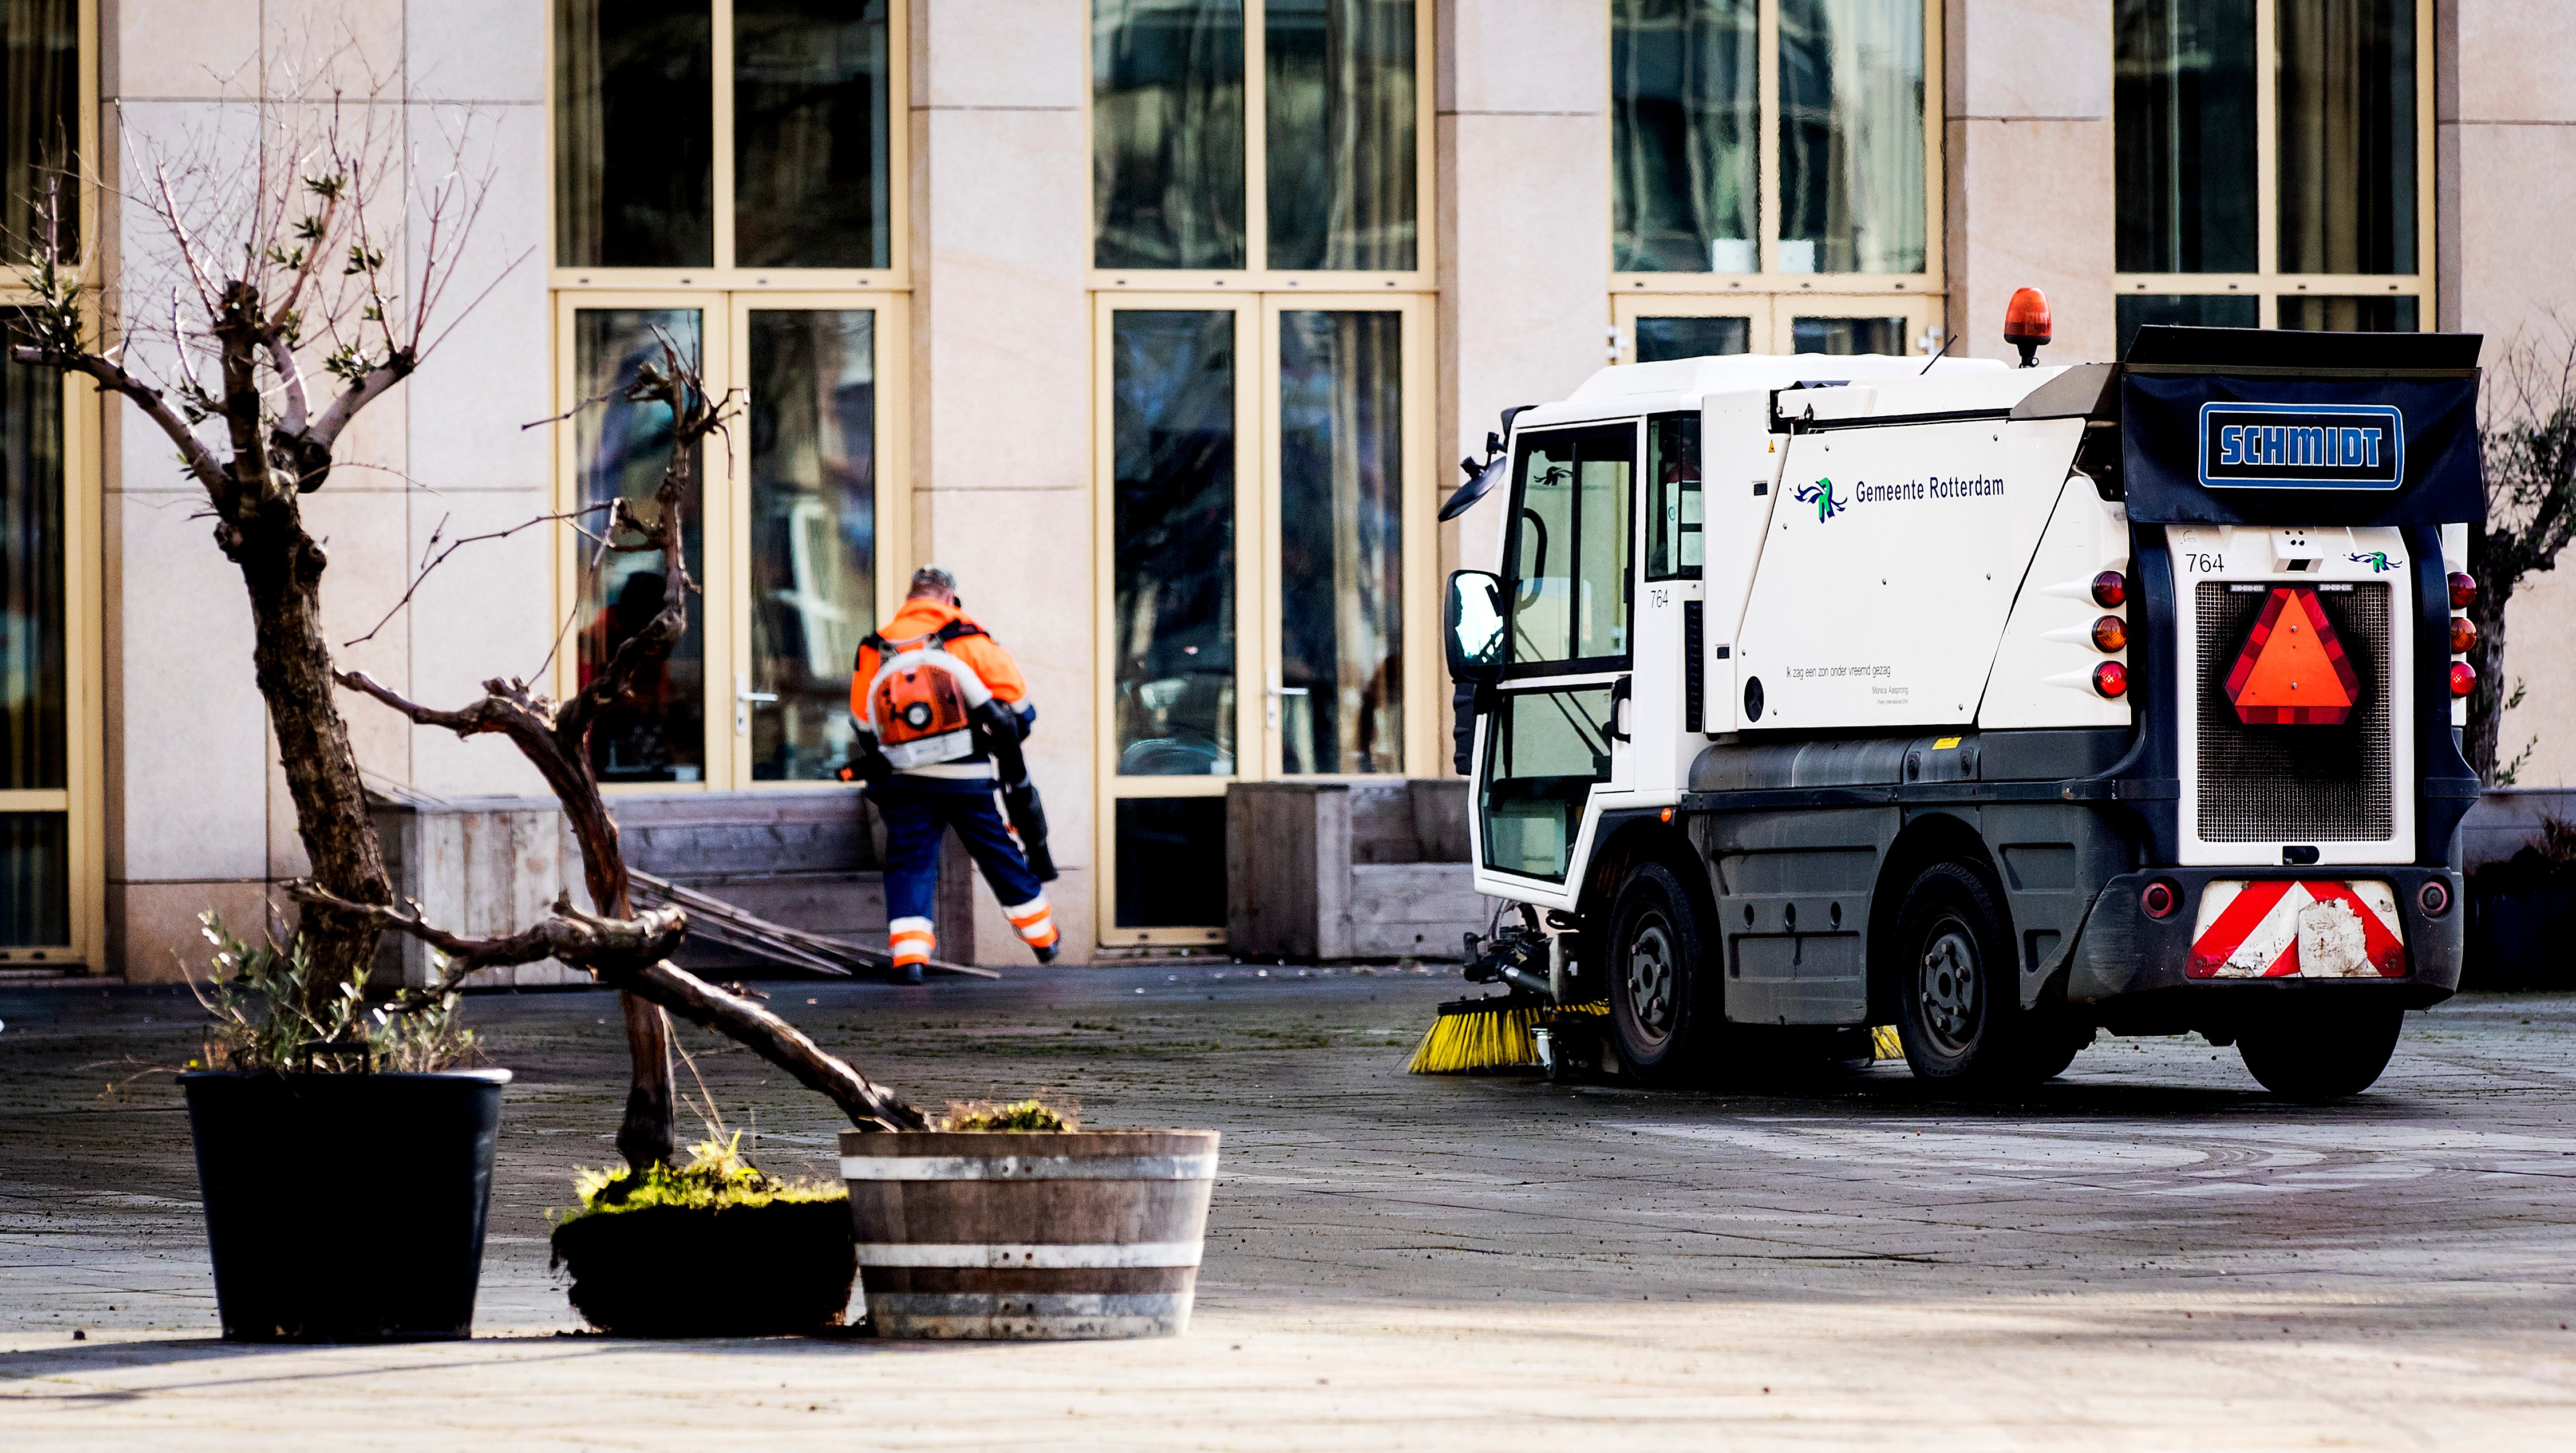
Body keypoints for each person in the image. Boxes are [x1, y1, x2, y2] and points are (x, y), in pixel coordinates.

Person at [851, 566, 1060, 982]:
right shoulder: (966, 637)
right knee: (997, 852)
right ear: (949, 599)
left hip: (904, 778)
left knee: (909, 861)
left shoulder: (876, 645)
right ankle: (1043, 938)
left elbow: (861, 720)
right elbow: (1019, 711)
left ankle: (909, 959)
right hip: (966, 774)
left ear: (911, 598)